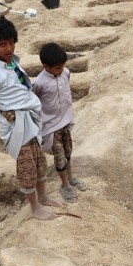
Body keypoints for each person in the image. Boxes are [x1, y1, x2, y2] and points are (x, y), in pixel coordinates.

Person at [0, 18, 64, 221]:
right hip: (17, 125)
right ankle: (35, 208)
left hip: (31, 121)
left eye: (11, 42)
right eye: (2, 44)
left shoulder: (14, 63)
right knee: (26, 166)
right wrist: (5, 120)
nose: (8, 48)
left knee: (39, 161)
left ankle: (43, 197)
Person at [32, 42, 87, 203]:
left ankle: (71, 177)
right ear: (45, 66)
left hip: (65, 122)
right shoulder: (39, 83)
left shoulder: (66, 73)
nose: (61, 70)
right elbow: (34, 102)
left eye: (62, 66)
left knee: (68, 151)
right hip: (51, 126)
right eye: (57, 67)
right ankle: (64, 184)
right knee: (59, 155)